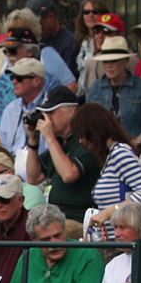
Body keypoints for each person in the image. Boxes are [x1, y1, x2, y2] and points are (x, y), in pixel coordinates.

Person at [73, 103, 141, 237]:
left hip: (122, 241)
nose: (81, 141)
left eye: (83, 135)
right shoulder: (111, 156)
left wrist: (110, 211)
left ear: (94, 130)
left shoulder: (120, 153)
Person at [23, 88, 100, 227]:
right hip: (55, 216)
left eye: (50, 113)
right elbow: (33, 178)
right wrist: (33, 142)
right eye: (44, 114)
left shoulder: (87, 141)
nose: (46, 118)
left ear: (71, 111)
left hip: (78, 218)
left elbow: (69, 175)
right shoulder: (59, 144)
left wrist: (49, 138)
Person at [85, 36, 141, 147]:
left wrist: (137, 142)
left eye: (114, 61)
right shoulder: (96, 88)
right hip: (103, 150)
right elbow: (87, 121)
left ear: (126, 61)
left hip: (136, 151)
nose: (108, 65)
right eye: (105, 61)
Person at [26, 0, 78, 74]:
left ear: (51, 17)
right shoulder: (33, 40)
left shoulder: (69, 42)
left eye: (38, 23)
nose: (35, 27)